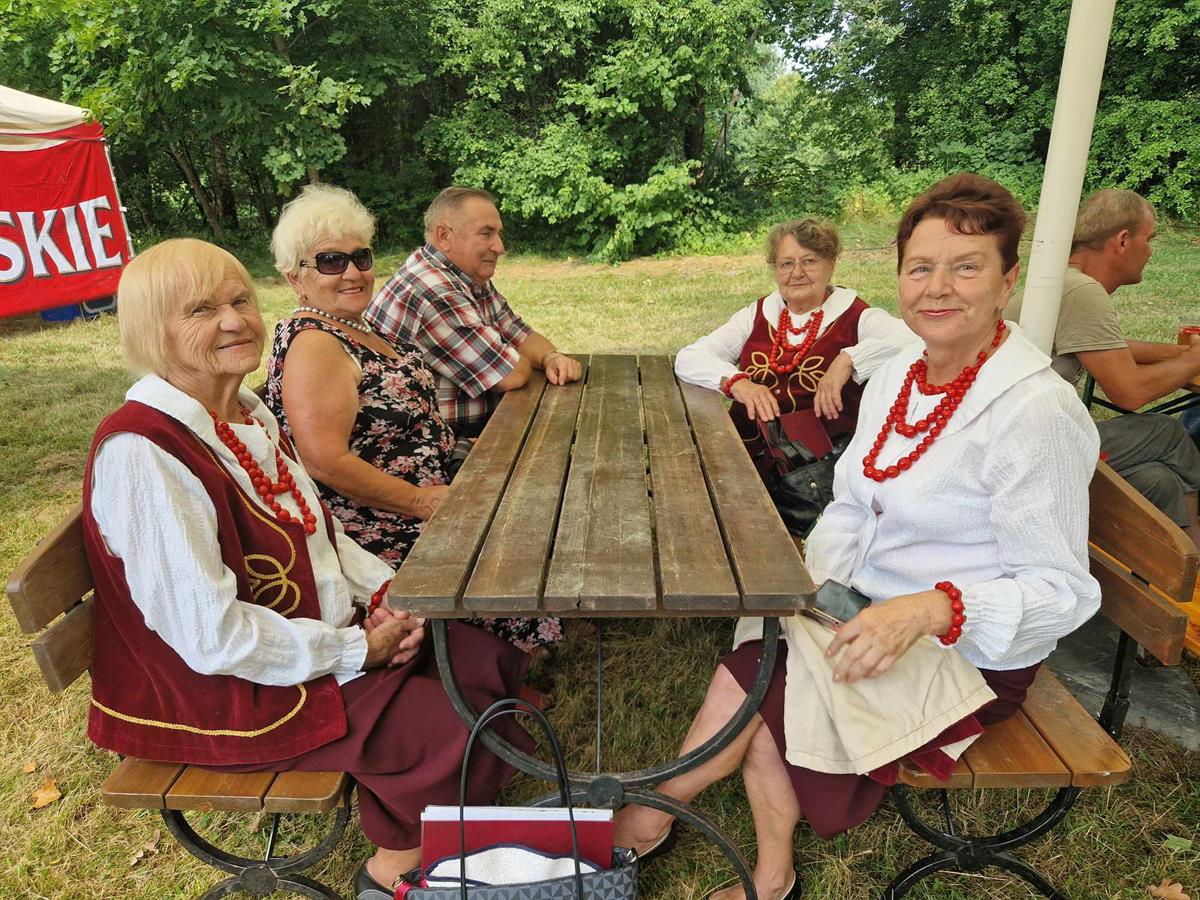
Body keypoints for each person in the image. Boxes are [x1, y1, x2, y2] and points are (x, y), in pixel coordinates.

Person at [615, 174, 1101, 900]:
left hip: (964, 653)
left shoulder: (1035, 411)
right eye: (920, 267)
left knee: (764, 689)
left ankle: (662, 819)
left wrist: (930, 610)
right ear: (899, 277)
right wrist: (817, 587)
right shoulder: (902, 371)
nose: (939, 288)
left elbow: (1062, 593)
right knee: (763, 659)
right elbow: (850, 502)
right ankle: (738, 856)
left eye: (967, 267)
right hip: (859, 604)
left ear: (1008, 282)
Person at [83, 238, 532, 899]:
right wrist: (356, 650)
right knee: (449, 726)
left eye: (240, 300)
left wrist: (384, 593)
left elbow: (314, 529)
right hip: (220, 688)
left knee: (482, 658)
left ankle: (450, 829)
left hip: (289, 637)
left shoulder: (241, 413)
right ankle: (394, 871)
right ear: (154, 330)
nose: (234, 321)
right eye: (201, 310)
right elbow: (209, 636)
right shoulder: (144, 454)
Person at [265, 184, 563, 656]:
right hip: (382, 521)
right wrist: (422, 501)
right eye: (330, 261)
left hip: (437, 483)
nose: (352, 273)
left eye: (360, 257)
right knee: (521, 536)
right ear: (294, 277)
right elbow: (324, 461)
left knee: (544, 491)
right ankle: (514, 645)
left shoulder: (354, 327)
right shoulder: (315, 344)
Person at [1010, 189, 1200, 541]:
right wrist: (1194, 359)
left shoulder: (1063, 282)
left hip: (1025, 439)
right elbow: (1129, 393)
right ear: (1123, 240)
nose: (1151, 252)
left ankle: (1172, 565)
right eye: (1149, 239)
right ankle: (1195, 553)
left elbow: (1105, 346)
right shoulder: (1082, 291)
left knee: (1157, 480)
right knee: (1168, 433)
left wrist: (1176, 354)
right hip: (1031, 450)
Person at [674, 217, 915, 479]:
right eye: (786, 263)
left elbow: (917, 338)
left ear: (831, 265)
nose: (797, 273)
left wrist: (848, 359)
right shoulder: (759, 313)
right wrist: (737, 382)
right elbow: (689, 358)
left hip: (820, 475)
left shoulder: (855, 317)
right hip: (741, 463)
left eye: (809, 261)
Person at [365, 186, 583, 438]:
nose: (500, 247)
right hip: (438, 443)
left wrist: (550, 357)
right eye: (486, 233)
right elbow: (510, 375)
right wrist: (518, 355)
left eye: (498, 234)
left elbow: (517, 331)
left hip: (471, 427)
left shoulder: (463, 275)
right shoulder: (434, 290)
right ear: (444, 236)